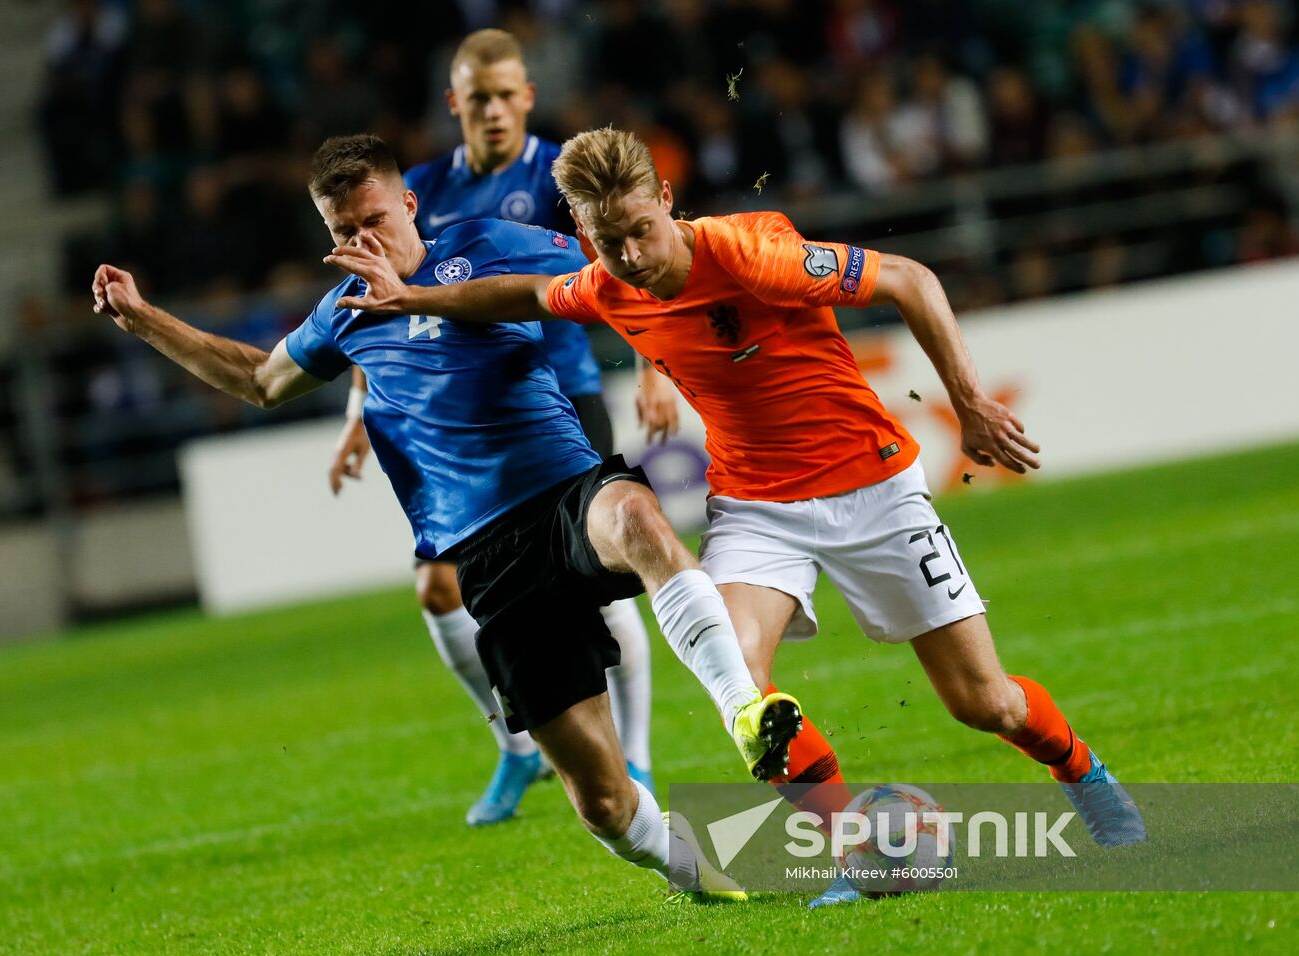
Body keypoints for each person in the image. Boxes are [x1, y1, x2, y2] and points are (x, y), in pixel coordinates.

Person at [322, 125, 1150, 909]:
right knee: (745, 691)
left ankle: (1083, 772)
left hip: (874, 488)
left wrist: (968, 402)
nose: (632, 258)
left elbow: (909, 278)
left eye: (642, 231)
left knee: (984, 702)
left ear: (667, 198)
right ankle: (850, 849)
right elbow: (530, 292)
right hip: (758, 506)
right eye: (609, 242)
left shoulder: (752, 254)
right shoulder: (605, 282)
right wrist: (411, 300)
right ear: (581, 227)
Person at [90, 133, 806, 899]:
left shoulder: (490, 245)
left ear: (407, 203)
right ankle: (697, 871)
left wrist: (657, 366)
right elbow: (260, 380)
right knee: (601, 803)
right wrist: (143, 321)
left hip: (568, 491)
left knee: (637, 518)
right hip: (487, 553)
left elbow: (622, 270)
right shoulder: (342, 314)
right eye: (342, 232)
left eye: (372, 219)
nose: (361, 241)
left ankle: (744, 708)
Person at [326, 29, 666, 826]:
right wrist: (356, 410)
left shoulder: (557, 175)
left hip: (555, 393)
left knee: (599, 576)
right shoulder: (413, 187)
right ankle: (517, 745)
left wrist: (653, 365)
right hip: (454, 418)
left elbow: (626, 260)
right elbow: (377, 300)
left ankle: (638, 753)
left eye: (508, 94)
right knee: (435, 584)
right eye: (478, 97)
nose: (495, 109)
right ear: (456, 105)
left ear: (529, 98)